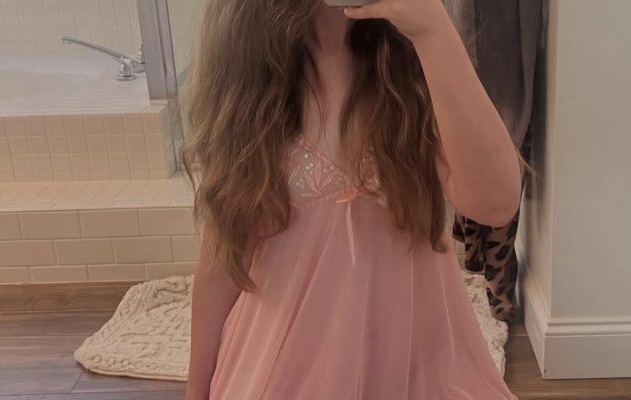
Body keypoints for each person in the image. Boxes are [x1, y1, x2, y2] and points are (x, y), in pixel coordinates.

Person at [182, 0, 526, 398]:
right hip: (282, 373)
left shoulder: (413, 56)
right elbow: (222, 257)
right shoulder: (249, 68)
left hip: (417, 369)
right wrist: (196, 391)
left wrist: (433, 30)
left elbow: (495, 201)